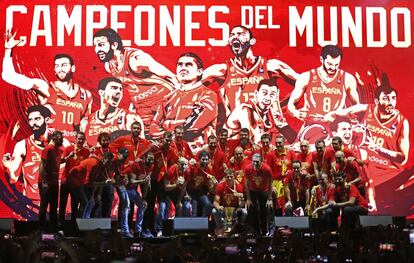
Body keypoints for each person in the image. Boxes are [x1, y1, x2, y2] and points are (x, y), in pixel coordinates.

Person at [325, 74, 409, 213]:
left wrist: (378, 149)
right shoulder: (365, 109)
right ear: (376, 101)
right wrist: (345, 124)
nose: (391, 102)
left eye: (393, 98)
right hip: (366, 162)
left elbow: (403, 158)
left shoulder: (402, 122)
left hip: (387, 168)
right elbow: (333, 115)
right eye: (386, 98)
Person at [3, 32, 92, 142]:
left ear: (72, 68)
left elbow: (85, 123)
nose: (60, 69)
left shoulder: (86, 95)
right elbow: (8, 76)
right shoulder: (46, 87)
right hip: (50, 148)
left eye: (64, 65)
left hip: (72, 150)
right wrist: (8, 50)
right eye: (57, 66)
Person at [202, 25, 298, 117]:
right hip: (237, 130)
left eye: (240, 34)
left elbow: (305, 83)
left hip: (265, 130)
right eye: (232, 35)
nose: (235, 37)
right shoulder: (221, 70)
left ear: (252, 41)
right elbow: (190, 87)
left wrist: (285, 104)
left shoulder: (270, 66)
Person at [93, 28, 175, 130]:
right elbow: (131, 86)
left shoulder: (135, 59)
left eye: (101, 45)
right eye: (95, 46)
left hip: (164, 102)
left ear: (114, 45)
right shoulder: (109, 66)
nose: (97, 50)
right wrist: (132, 108)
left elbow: (172, 77)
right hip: (144, 109)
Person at [288, 45, 359, 142]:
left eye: (336, 64)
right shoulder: (306, 77)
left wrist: (352, 121)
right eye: (329, 64)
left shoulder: (347, 78)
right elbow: (290, 106)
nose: (333, 68)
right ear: (321, 59)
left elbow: (357, 107)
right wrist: (295, 113)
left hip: (335, 126)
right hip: (311, 125)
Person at [3, 105, 69, 206]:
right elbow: (14, 178)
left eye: (37, 119)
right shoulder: (22, 145)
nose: (33, 123)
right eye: (30, 120)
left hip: (58, 201)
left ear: (46, 119)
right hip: (34, 204)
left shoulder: (64, 144)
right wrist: (8, 166)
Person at [150, 52, 218, 147]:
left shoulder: (208, 95)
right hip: (171, 150)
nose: (183, 68)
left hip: (197, 151)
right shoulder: (168, 97)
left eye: (188, 65)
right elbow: (153, 128)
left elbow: (194, 126)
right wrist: (170, 136)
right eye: (180, 64)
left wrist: (167, 124)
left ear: (199, 71)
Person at [226, 78, 295, 144]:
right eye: (264, 93)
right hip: (232, 150)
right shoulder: (245, 110)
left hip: (254, 149)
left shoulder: (273, 112)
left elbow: (294, 139)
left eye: (272, 95)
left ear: (276, 98)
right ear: (256, 93)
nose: (267, 98)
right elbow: (255, 141)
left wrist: (283, 126)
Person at [80, 77, 144, 145]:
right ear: (101, 92)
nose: (118, 92)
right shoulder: (86, 121)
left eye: (120, 89)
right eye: (114, 88)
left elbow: (141, 146)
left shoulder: (129, 117)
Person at [59, 132, 90, 226]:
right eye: (79, 139)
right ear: (75, 138)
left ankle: (74, 226)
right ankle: (60, 225)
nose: (80, 141)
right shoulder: (69, 149)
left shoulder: (86, 152)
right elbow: (61, 160)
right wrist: (68, 157)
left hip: (77, 183)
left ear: (84, 140)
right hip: (66, 180)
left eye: (82, 139)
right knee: (62, 204)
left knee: (74, 205)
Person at [122, 151, 154, 237]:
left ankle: (138, 230)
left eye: (152, 160)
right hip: (123, 185)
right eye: (149, 159)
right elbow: (132, 182)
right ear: (144, 159)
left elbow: (146, 184)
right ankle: (125, 230)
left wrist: (144, 198)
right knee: (127, 206)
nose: (151, 162)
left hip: (131, 188)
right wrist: (144, 181)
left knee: (143, 205)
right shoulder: (135, 165)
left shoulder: (150, 167)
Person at [38, 130, 64, 232]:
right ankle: (41, 229)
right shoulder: (48, 149)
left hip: (54, 182)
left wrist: (66, 159)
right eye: (60, 138)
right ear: (54, 138)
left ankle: (54, 229)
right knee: (44, 206)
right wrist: (44, 181)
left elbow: (56, 162)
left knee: (54, 206)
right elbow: (42, 164)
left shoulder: (58, 149)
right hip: (46, 182)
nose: (62, 140)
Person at [243, 153, 273, 235]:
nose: (255, 164)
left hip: (264, 190)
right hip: (253, 190)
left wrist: (269, 198)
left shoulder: (267, 169)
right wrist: (248, 199)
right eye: (254, 161)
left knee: (264, 210)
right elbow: (246, 184)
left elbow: (270, 183)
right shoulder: (248, 168)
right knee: (252, 209)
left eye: (257, 162)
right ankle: (255, 231)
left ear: (261, 161)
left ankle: (265, 231)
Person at [212, 169, 247, 236]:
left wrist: (242, 200)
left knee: (245, 212)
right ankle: (220, 227)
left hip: (234, 210)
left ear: (234, 177)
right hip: (223, 210)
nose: (230, 178)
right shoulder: (220, 186)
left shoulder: (239, 187)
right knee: (214, 211)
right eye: (228, 177)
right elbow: (215, 202)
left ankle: (238, 228)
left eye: (231, 176)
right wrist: (218, 207)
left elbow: (241, 205)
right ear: (225, 177)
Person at [185, 150, 217, 217]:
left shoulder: (209, 170)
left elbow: (211, 190)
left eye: (206, 159)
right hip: (189, 191)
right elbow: (185, 182)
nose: (205, 161)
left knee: (208, 205)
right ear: (199, 159)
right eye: (203, 159)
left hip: (199, 192)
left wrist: (215, 185)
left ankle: (203, 221)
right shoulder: (193, 167)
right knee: (187, 206)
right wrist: (186, 194)